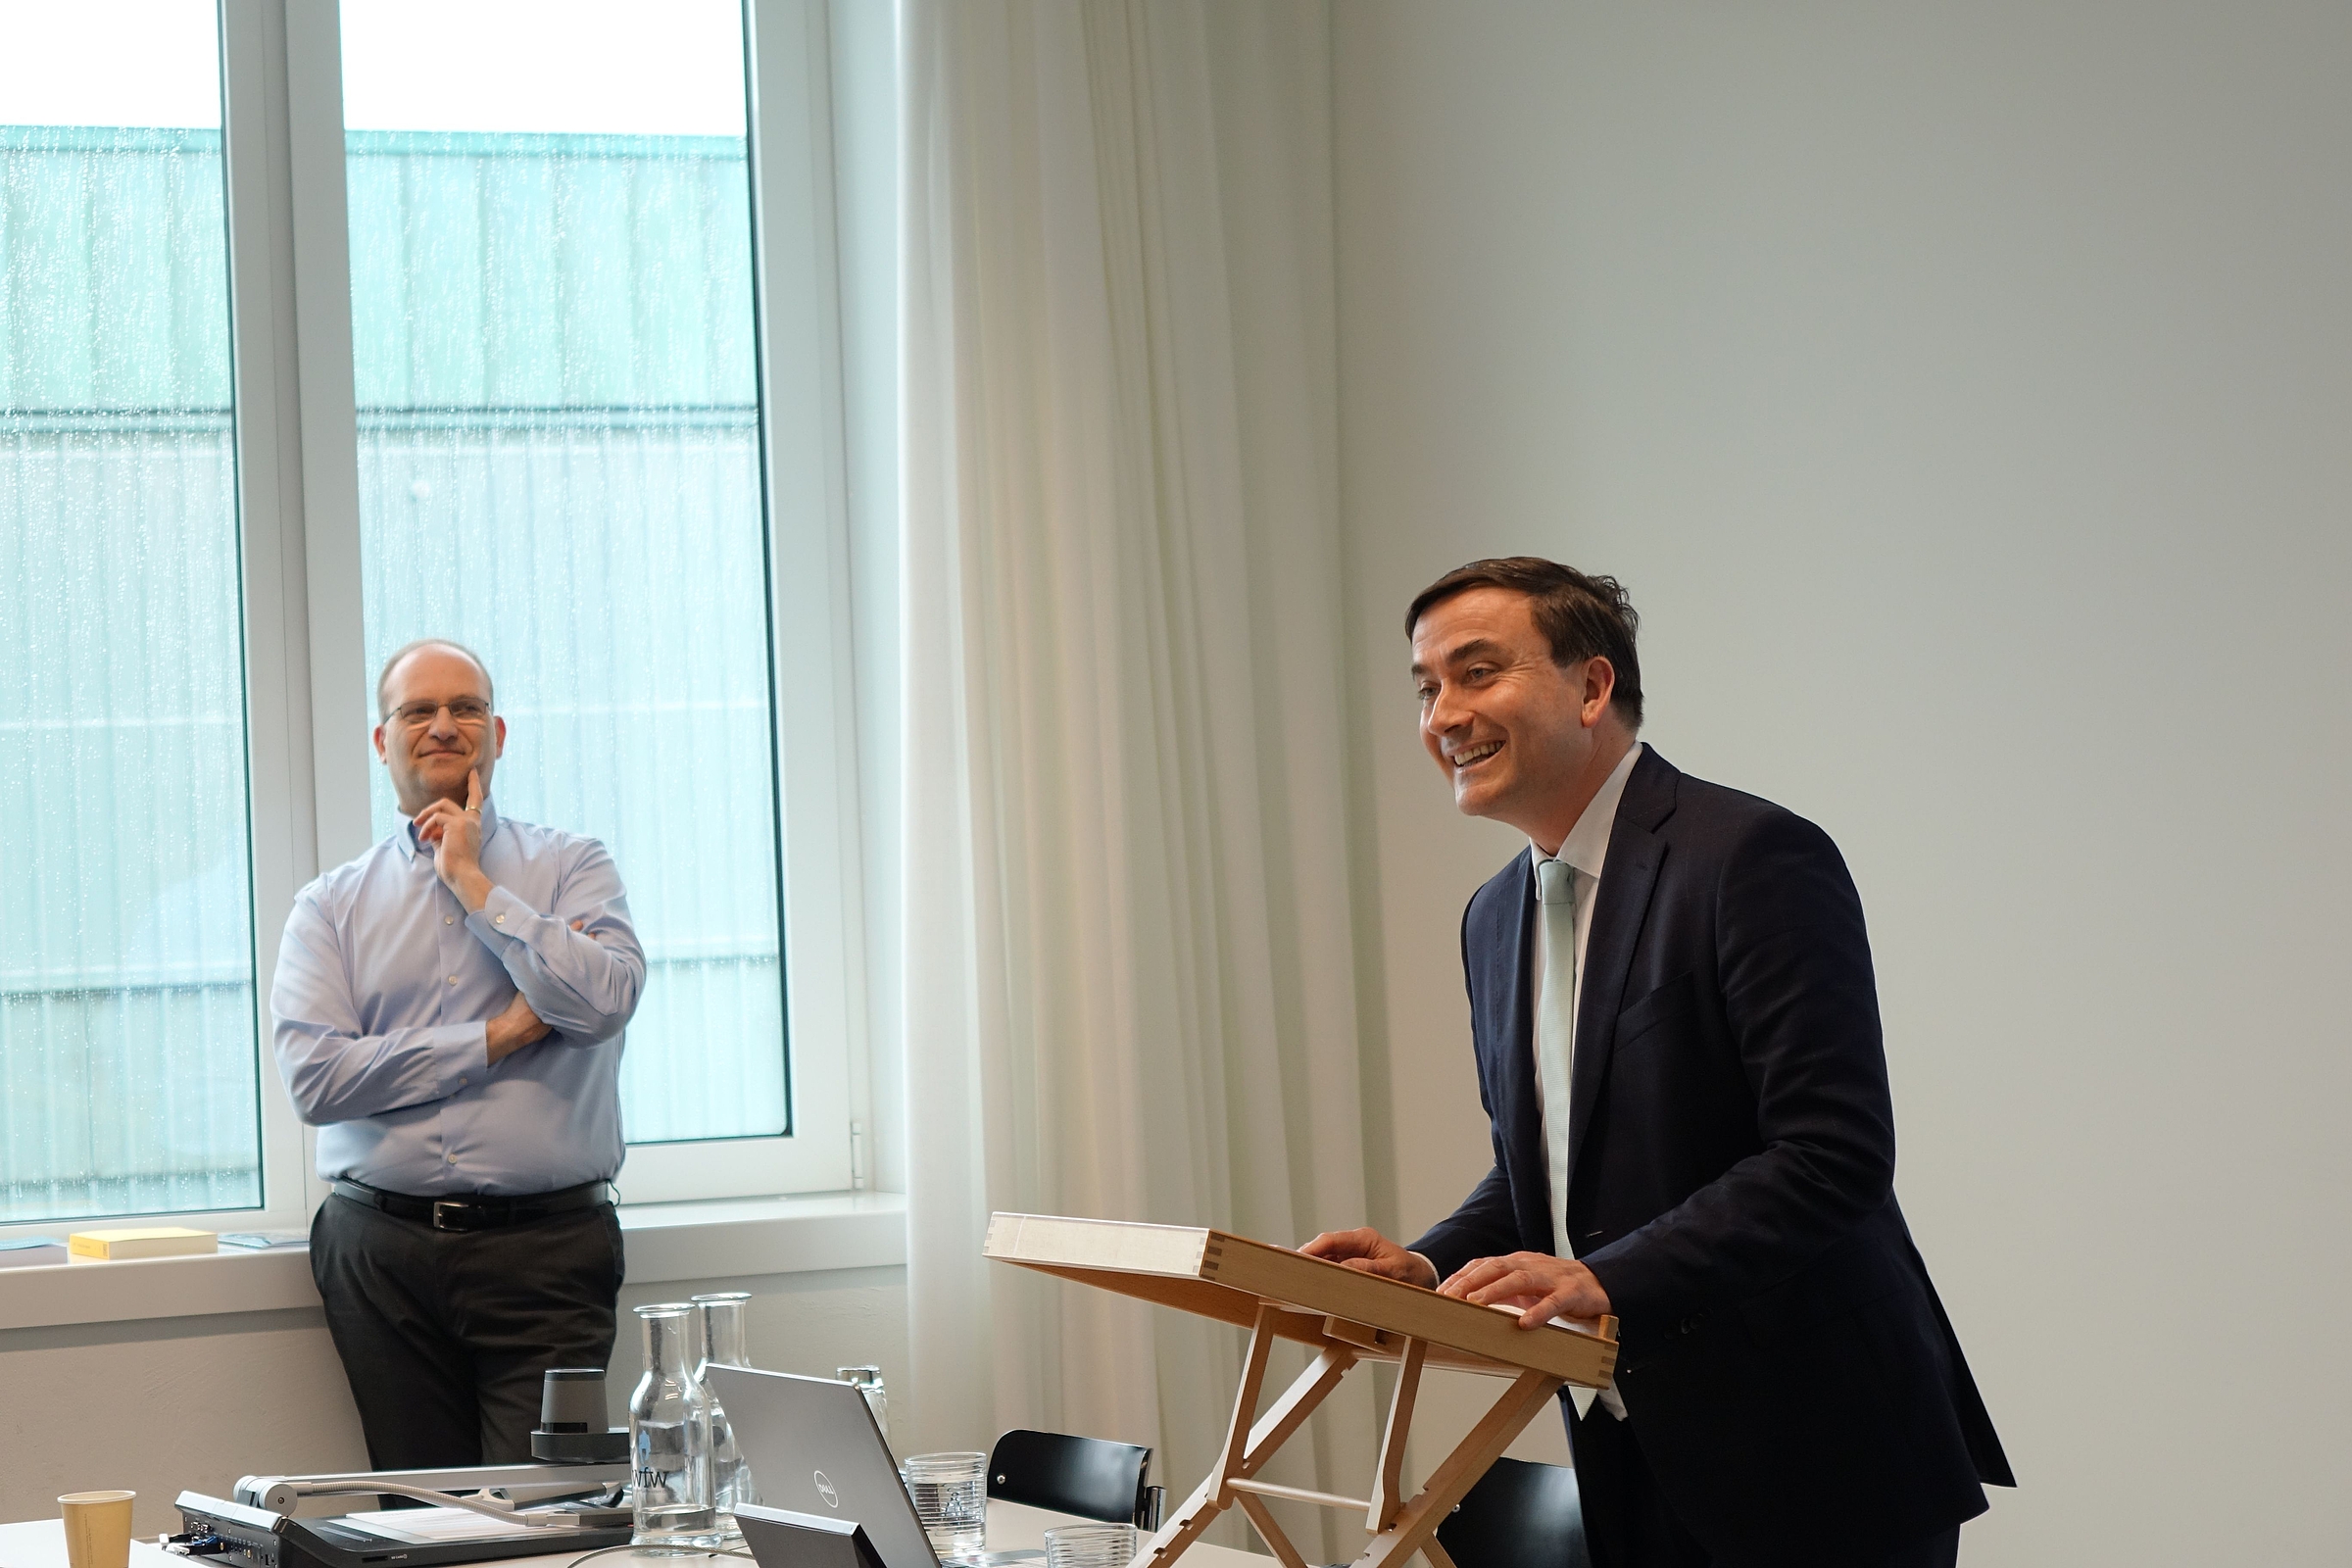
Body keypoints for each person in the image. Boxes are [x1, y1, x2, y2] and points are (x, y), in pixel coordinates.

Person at [1304, 560, 2010, 1568]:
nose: (1443, 715)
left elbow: (1831, 1154)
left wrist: (1602, 1278)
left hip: (1818, 1452)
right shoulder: (1491, 917)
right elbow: (1543, 1175)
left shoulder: (1752, 856)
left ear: (1592, 686)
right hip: (1628, 1446)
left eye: (1477, 672)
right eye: (1426, 687)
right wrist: (1425, 1268)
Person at [272, 638, 646, 1467]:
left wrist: (476, 885)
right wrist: (496, 1037)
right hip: (380, 1259)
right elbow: (316, 1079)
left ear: (497, 734)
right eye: (418, 711)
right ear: (383, 741)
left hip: (549, 1254)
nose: (443, 725)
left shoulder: (573, 867)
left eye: (465, 708)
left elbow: (599, 1004)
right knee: (414, 1517)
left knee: (551, 1511)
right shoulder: (329, 906)